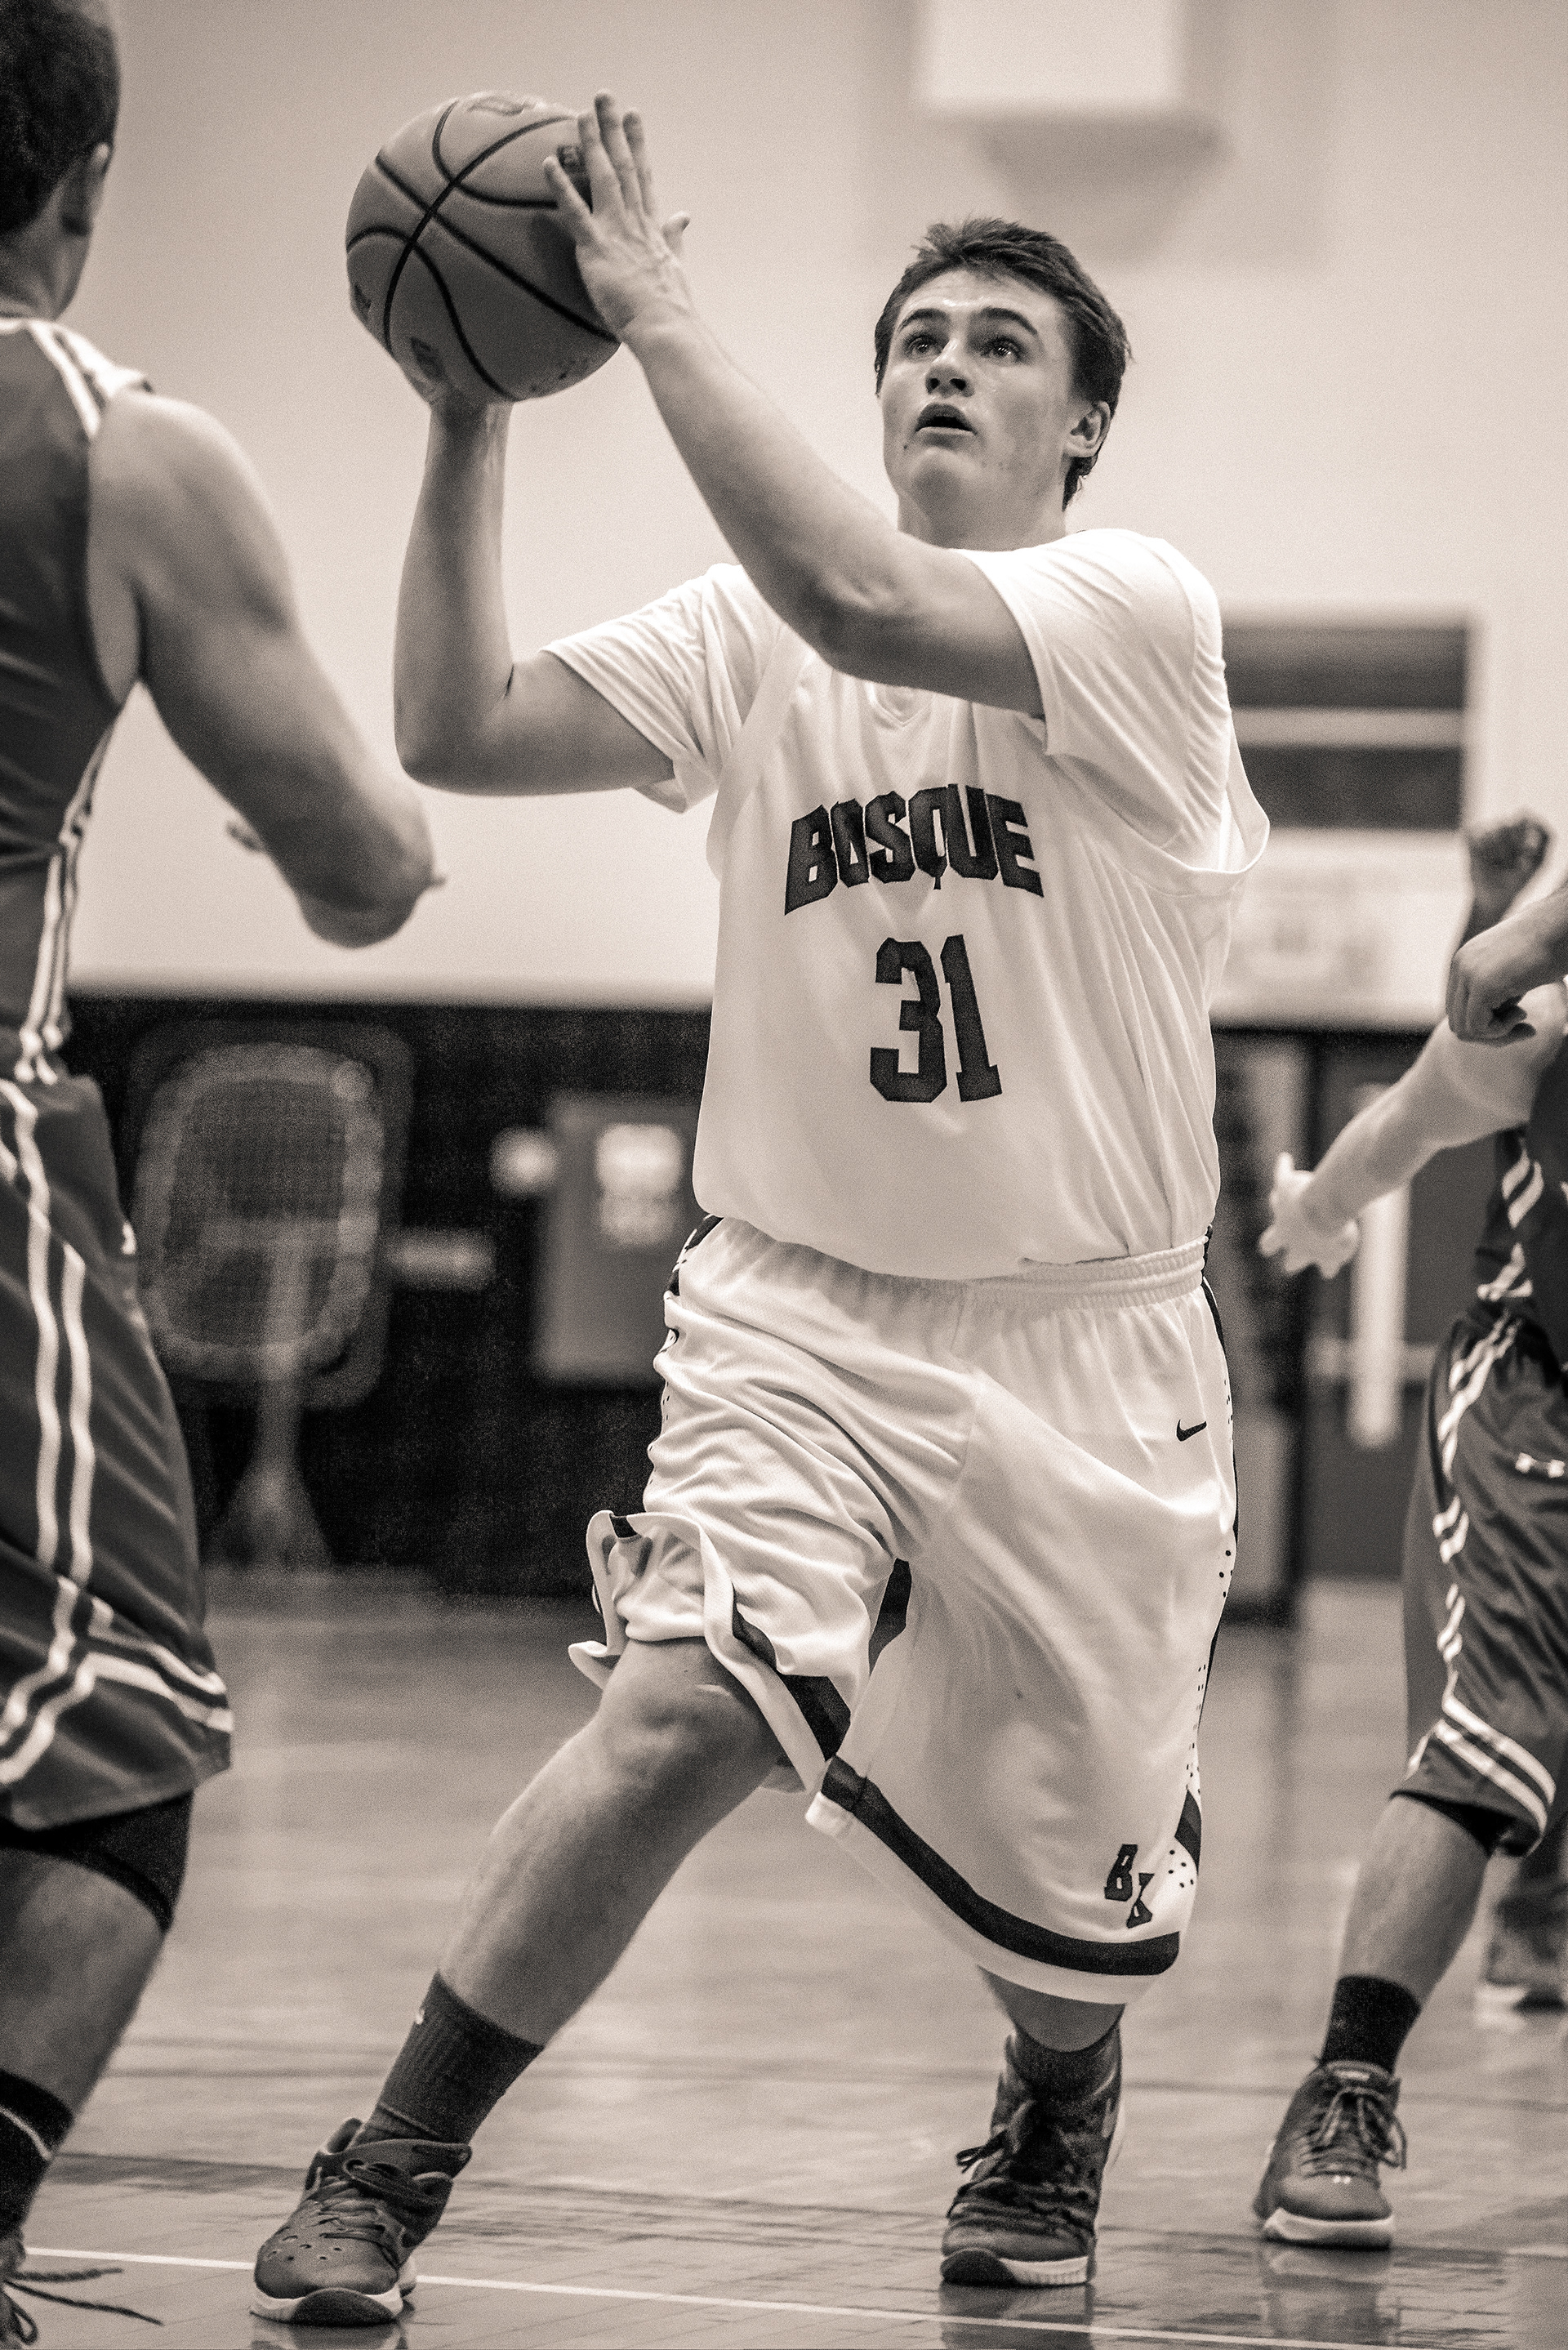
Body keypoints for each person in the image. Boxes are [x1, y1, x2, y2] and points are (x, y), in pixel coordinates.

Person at [253, 92, 1265, 2325]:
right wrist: (468, 412)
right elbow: (453, 721)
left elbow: (862, 591)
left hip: (1089, 1349)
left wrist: (647, 305)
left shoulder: (1135, 614)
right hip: (798, 1312)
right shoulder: (747, 632)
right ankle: (386, 2164)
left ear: (1085, 428)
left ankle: (1060, 2081)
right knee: (681, 1713)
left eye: (1001, 343)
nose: (946, 363)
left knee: (1071, 1913)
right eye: (915, 336)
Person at [0, 2, 438, 2336]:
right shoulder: (122, 448)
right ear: (83, 190)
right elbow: (362, 864)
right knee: (115, 1746)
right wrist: (362, 845)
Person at [1253, 823, 1568, 2246]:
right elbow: (1405, 1121)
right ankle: (1349, 2083)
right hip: (1536, 1394)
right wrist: (1318, 1207)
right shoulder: (1536, 1040)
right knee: (1497, 1736)